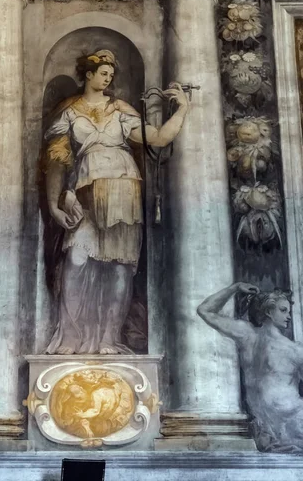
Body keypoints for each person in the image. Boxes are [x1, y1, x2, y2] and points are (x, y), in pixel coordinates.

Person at [44, 49, 188, 355]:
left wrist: (182, 110)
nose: (108, 79)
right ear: (88, 74)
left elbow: (159, 139)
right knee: (76, 260)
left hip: (123, 188)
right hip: (84, 187)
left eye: (111, 75)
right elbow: (56, 159)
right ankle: (71, 337)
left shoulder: (121, 110)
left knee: (120, 267)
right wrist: (54, 204)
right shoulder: (69, 112)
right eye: (103, 73)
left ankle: (110, 338)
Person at [197, 282, 303, 453]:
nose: (289, 316)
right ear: (268, 311)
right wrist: (234, 288)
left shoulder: (295, 350)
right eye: (283, 310)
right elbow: (204, 310)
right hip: (265, 427)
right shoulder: (248, 335)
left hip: (294, 422)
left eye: (289, 311)